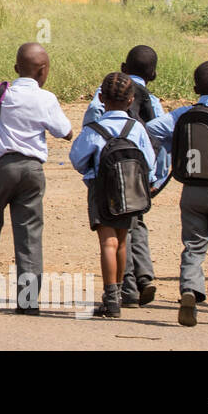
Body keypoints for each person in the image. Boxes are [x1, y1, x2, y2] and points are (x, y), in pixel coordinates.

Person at [0, 43, 73, 314]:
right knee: (29, 232)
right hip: (33, 170)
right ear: (44, 71)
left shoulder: (1, 92)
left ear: (16, 68)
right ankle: (28, 299)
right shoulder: (46, 99)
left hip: (1, 168)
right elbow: (66, 132)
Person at [146, 61, 208, 326]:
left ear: (195, 87)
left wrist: (172, 147)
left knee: (193, 245)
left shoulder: (181, 113)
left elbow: (152, 129)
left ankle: (189, 289)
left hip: (190, 189)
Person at [81, 45, 167, 308]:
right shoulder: (152, 103)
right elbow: (159, 145)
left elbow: (81, 149)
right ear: (153, 73)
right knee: (132, 230)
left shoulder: (99, 107)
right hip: (138, 181)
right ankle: (142, 278)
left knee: (112, 239)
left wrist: (90, 174)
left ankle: (121, 292)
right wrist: (154, 180)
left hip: (105, 184)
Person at [70, 73, 156, 318]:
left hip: (102, 190)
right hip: (130, 191)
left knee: (107, 242)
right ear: (131, 101)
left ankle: (110, 299)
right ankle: (118, 293)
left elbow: (77, 159)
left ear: (100, 98)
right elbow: (149, 161)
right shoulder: (136, 128)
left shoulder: (94, 128)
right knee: (122, 242)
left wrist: (91, 170)